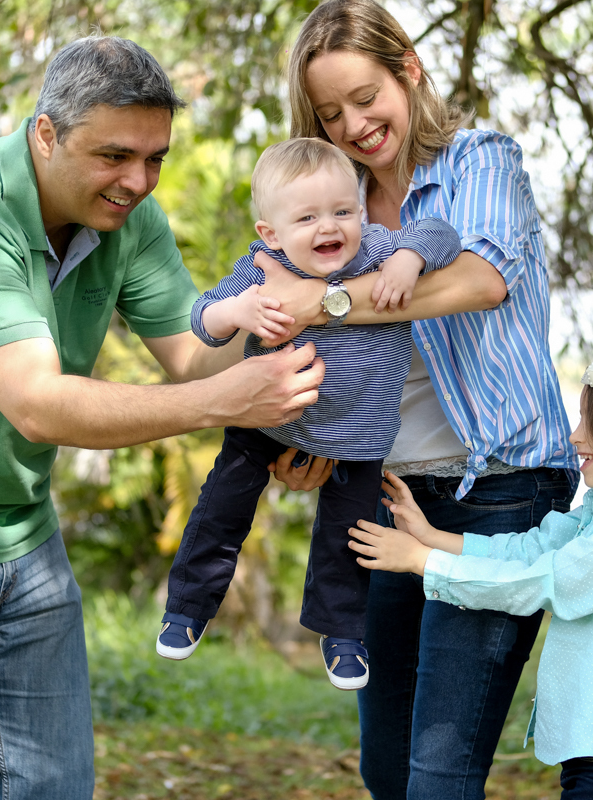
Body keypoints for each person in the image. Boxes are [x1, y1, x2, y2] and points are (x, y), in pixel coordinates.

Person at [0, 36, 325, 800]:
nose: (138, 181)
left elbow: (193, 355)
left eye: (155, 158)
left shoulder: (131, 222)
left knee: (53, 786)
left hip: (20, 528)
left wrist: (277, 333)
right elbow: (38, 403)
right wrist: (228, 401)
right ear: (45, 133)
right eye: (114, 156)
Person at [260, 0, 579, 795]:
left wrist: (328, 301)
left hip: (500, 491)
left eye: (366, 97)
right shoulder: (333, 213)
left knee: (438, 775)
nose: (355, 125)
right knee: (386, 768)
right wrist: (305, 453)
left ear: (409, 68)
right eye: (331, 114)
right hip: (383, 497)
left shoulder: (480, 161)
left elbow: (479, 279)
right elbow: (311, 357)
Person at [347, 341, 593, 800]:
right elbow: (529, 551)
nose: (575, 436)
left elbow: (538, 581)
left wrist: (421, 563)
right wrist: (431, 536)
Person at [157, 137, 461, 691]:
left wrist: (410, 258)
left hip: (359, 432)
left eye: (343, 211)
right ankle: (188, 606)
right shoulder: (262, 269)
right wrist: (238, 310)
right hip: (267, 419)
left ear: (361, 212)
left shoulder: (376, 251)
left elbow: (442, 232)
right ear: (270, 233)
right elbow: (202, 319)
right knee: (221, 509)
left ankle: (341, 633)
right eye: (308, 217)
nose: (329, 227)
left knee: (348, 535)